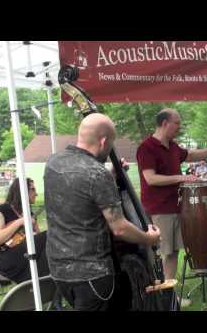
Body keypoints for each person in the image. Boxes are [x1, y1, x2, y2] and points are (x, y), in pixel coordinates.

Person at [44, 113, 160, 311]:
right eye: (111, 144)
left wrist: (111, 177)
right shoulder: (97, 173)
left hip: (59, 269)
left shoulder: (53, 162)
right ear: (103, 140)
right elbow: (120, 228)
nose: (109, 149)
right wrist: (148, 239)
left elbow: (79, 196)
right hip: (92, 274)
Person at [136, 108, 207, 307]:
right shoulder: (147, 147)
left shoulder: (173, 146)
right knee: (165, 253)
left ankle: (169, 293)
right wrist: (182, 177)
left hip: (178, 207)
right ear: (165, 123)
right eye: (177, 123)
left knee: (173, 252)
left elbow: (191, 155)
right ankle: (164, 296)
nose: (180, 126)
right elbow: (150, 178)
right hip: (160, 209)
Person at [0, 177, 51, 284]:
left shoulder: (28, 212)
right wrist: (20, 222)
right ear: (21, 191)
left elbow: (37, 240)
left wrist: (35, 227)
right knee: (50, 235)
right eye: (32, 189)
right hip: (7, 258)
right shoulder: (1, 210)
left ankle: (49, 287)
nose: (36, 194)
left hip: (25, 256)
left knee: (49, 245)